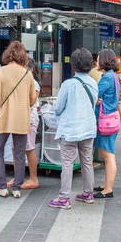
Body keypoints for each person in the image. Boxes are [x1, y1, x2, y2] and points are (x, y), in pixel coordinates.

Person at [48, 48, 98, 209]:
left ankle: (64, 198)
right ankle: (88, 193)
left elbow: (58, 108)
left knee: (67, 163)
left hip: (70, 130)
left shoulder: (68, 84)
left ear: (74, 66)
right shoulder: (93, 83)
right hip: (88, 128)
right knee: (87, 162)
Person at [0, 42, 37, 199]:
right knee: (19, 154)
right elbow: (32, 100)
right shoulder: (27, 74)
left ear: (7, 54)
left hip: (3, 118)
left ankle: (2, 187)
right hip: (21, 119)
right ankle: (17, 188)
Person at [6, 58, 41, 190]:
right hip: (18, 120)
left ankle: (33, 179)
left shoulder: (34, 83)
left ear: (30, 70)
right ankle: (18, 177)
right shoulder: (19, 82)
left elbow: (31, 101)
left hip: (29, 120)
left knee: (28, 148)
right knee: (15, 148)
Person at [93, 49, 121, 199]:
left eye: (98, 59)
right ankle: (106, 184)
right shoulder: (113, 77)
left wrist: (96, 99)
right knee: (107, 154)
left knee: (108, 155)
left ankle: (108, 189)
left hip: (106, 121)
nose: (96, 62)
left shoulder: (106, 79)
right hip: (111, 118)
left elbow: (94, 93)